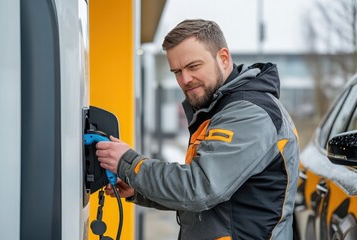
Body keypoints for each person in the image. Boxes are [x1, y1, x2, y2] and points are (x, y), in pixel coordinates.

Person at [96, 19, 300, 240]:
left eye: (193, 66)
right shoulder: (220, 108)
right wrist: (139, 188)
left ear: (223, 58)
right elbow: (210, 203)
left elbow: (200, 188)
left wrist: (129, 163)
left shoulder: (248, 114)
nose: (185, 79)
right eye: (176, 71)